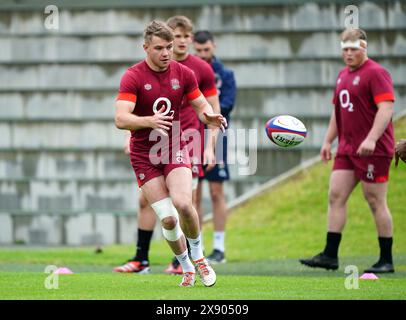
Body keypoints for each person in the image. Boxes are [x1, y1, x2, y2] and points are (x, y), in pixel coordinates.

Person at [114, 20, 226, 286]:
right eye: (160, 48)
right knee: (166, 217)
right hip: (143, 154)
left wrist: (210, 118)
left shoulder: (184, 73)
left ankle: (199, 258)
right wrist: (149, 121)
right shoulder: (133, 76)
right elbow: (120, 119)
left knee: (184, 203)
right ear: (146, 48)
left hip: (175, 147)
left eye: (169, 47)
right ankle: (185, 266)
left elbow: (200, 105)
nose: (166, 53)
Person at [300, 28, 396, 273]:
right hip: (347, 148)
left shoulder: (376, 73)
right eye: (345, 48)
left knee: (375, 200)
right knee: (335, 195)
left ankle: (386, 259)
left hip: (372, 149)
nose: (349, 53)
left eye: (354, 48)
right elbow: (338, 111)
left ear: (364, 48)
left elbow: (386, 108)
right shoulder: (343, 75)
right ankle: (330, 255)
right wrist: (327, 141)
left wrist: (372, 139)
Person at [193, 30, 236, 264]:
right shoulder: (187, 71)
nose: (202, 55)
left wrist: (205, 112)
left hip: (216, 136)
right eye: (198, 51)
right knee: (193, 194)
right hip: (189, 136)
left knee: (216, 192)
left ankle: (219, 247)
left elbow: (227, 105)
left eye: (206, 50)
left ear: (214, 47)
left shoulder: (225, 74)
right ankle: (196, 248)